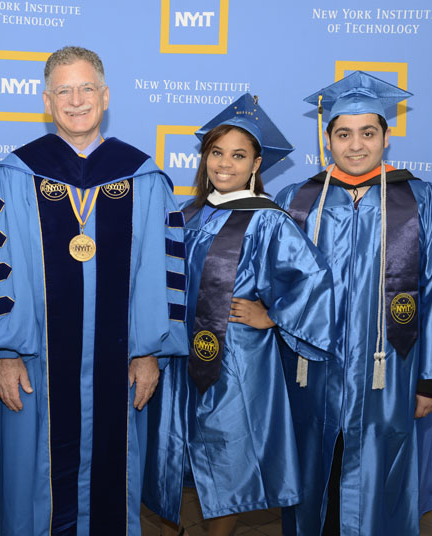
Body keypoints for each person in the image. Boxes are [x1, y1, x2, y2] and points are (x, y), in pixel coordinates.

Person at [274, 71, 432, 536]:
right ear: (327, 139)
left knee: (379, 485)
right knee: (314, 477)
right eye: (344, 134)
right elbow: (273, 287)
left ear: (386, 137)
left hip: (389, 377)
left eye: (368, 133)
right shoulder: (297, 202)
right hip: (310, 375)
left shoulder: (423, 202)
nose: (356, 145)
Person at [0, 46, 187, 535]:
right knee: (33, 486)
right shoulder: (14, 176)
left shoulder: (143, 176)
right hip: (35, 364)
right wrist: (6, 353)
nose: (76, 100)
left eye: (86, 88)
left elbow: (161, 273)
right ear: (48, 101)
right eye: (64, 91)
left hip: (119, 365)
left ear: (105, 95)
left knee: (114, 477)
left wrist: (148, 353)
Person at [142, 95, 337, 536]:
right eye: (216, 153)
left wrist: (271, 314)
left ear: (256, 163)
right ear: (204, 157)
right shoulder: (189, 214)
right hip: (179, 355)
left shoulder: (268, 220)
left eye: (238, 155)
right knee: (179, 443)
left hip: (237, 361)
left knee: (227, 452)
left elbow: (314, 279)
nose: (224, 164)